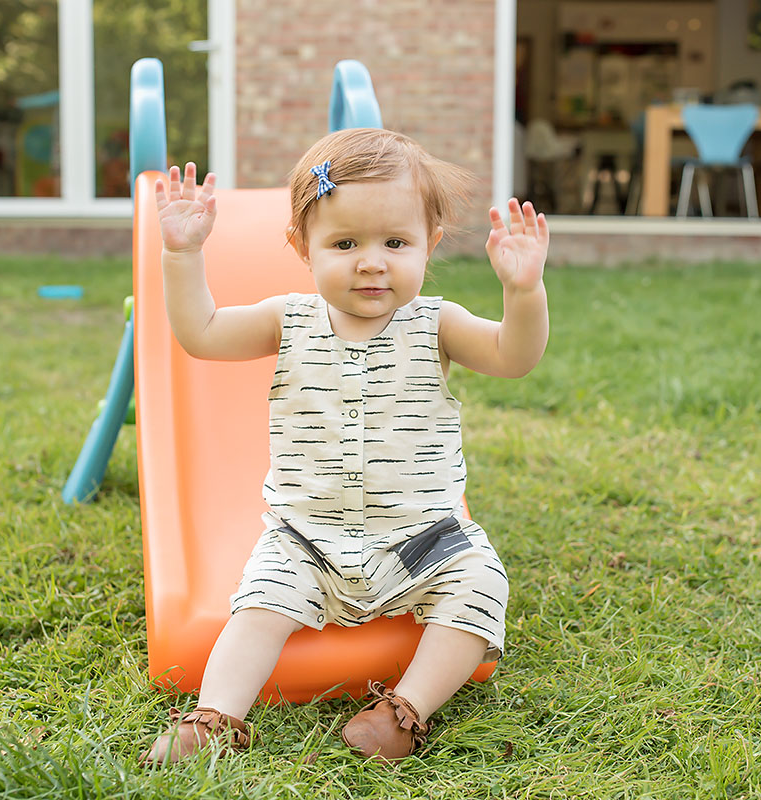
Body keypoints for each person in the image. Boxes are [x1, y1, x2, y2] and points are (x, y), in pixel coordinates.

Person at [143, 128, 549, 766]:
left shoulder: (436, 323)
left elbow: (514, 356)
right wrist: (181, 255)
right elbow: (202, 333)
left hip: (423, 539)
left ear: (429, 244)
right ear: (302, 247)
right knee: (258, 605)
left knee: (481, 583)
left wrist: (523, 293)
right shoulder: (288, 318)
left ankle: (404, 710)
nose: (371, 261)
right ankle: (215, 718)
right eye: (344, 243)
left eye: (396, 243)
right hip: (305, 537)